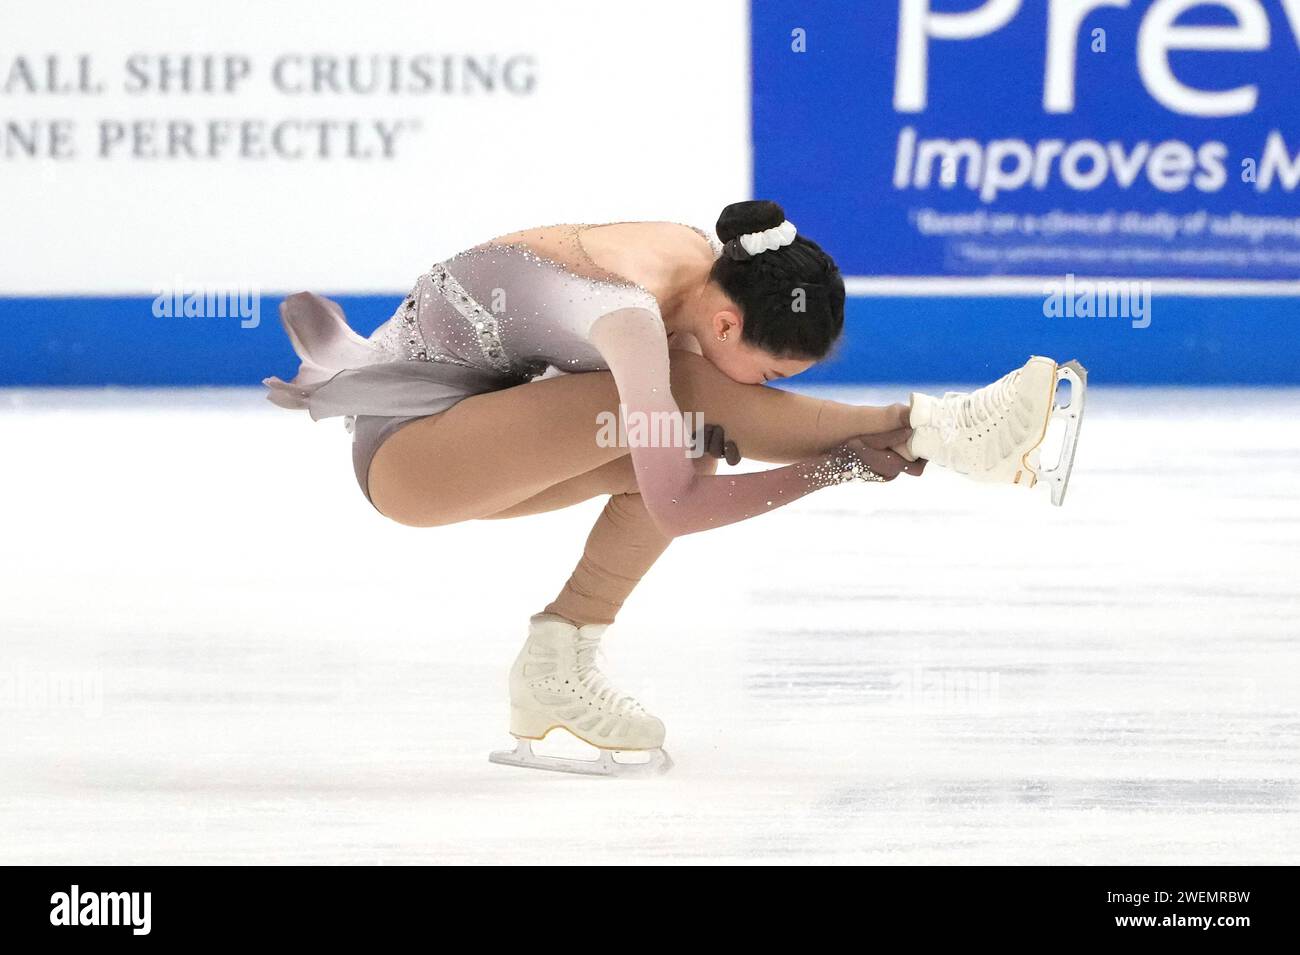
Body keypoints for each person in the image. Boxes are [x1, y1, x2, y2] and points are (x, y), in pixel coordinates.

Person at [264, 200, 1082, 775]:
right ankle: (936, 427)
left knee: (686, 433)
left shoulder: (705, 268)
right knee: (679, 415)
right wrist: (834, 466)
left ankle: (557, 659)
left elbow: (684, 464)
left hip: (476, 423)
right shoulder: (626, 316)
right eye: (771, 375)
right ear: (731, 325)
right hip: (411, 456)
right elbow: (676, 507)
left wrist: (826, 453)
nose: (764, 390)